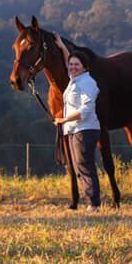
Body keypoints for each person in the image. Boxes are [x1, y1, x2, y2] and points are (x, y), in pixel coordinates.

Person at [52, 33, 102, 211]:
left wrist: (64, 119)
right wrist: (62, 46)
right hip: (74, 129)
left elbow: (86, 110)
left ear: (84, 67)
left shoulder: (88, 83)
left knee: (85, 165)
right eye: (71, 64)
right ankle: (90, 199)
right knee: (77, 166)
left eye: (76, 65)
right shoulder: (74, 79)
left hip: (85, 129)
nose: (72, 67)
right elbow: (68, 63)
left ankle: (94, 203)